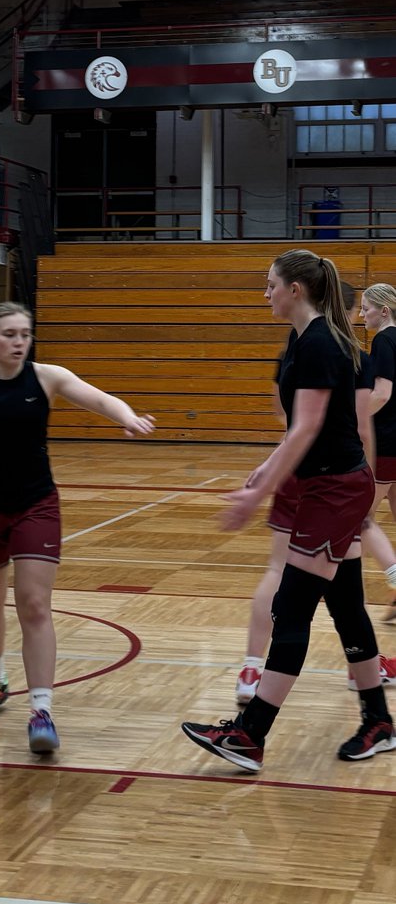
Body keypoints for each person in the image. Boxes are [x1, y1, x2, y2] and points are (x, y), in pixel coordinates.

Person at [182, 249, 394, 774]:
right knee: (345, 606)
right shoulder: (305, 339)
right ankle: (379, 721)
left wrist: (258, 495)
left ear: (295, 289)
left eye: (270, 284)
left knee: (291, 609)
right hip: (330, 486)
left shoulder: (321, 342)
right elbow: (302, 429)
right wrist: (266, 469)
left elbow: (308, 428)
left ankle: (249, 735)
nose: (266, 293)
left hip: (335, 492)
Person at [0, 301, 155, 755]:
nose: (19, 342)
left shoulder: (47, 377)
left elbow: (97, 398)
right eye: (9, 334)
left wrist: (126, 416)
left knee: (33, 604)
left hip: (35, 505)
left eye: (25, 334)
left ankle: (41, 710)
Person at [234, 281, 395, 704]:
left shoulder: (296, 347)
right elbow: (361, 429)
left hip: (295, 468)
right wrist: (362, 483)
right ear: (350, 309)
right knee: (334, 592)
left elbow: (286, 416)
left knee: (288, 575)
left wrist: (273, 465)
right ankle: (362, 677)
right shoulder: (351, 355)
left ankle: (251, 669)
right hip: (332, 480)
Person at [360, 282, 396, 621]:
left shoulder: (384, 340)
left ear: (384, 311)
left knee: (360, 518)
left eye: (366, 308)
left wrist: (351, 419)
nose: (361, 314)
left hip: (386, 442)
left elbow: (382, 393)